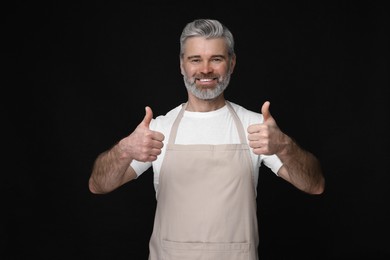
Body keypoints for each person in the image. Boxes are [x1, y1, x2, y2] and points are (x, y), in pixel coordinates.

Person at [88, 18, 325, 260]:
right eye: (195, 59)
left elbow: (314, 185)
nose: (205, 69)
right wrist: (125, 149)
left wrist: (284, 146)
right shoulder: (159, 129)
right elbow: (99, 185)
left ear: (231, 64)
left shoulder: (256, 128)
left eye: (216, 59)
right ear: (182, 65)